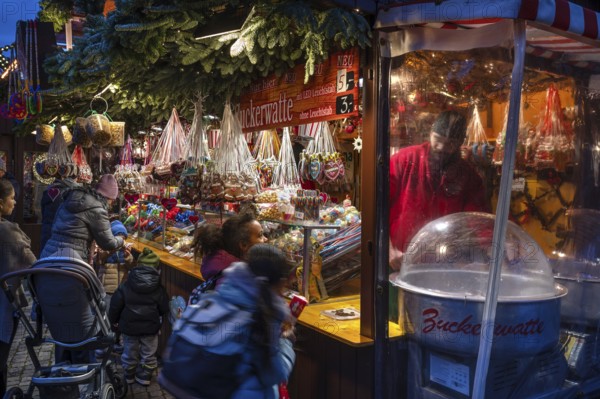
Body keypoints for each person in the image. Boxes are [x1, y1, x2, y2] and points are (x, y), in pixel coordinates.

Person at [159, 243, 296, 399]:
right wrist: (286, 342)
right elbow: (274, 375)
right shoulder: (259, 319)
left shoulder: (216, 298)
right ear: (277, 282)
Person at [389, 110, 488, 264]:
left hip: (445, 261)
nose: (441, 147)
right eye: (437, 139)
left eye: (450, 143)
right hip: (399, 256)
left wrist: (488, 247)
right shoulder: (404, 160)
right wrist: (388, 249)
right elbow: (377, 206)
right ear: (430, 133)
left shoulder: (468, 176)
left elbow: (477, 220)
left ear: (460, 143)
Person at [108, 247, 168, 386]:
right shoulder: (159, 288)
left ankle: (129, 375)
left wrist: (114, 322)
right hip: (150, 327)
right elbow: (164, 307)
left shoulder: (126, 285)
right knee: (149, 353)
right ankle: (145, 376)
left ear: (138, 266)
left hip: (129, 327)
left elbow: (115, 305)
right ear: (156, 268)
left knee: (129, 351)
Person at [0, 179, 36, 396]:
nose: (14, 202)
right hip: (2, 307)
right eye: (12, 198)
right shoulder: (8, 233)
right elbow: (32, 263)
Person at [40, 174, 124, 262]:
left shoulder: (69, 198)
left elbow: (54, 224)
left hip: (48, 255)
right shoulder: (98, 210)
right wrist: (121, 239)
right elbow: (108, 243)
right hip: (72, 260)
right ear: (108, 198)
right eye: (112, 201)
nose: (111, 205)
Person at [192, 211, 267, 283]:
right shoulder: (235, 280)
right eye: (260, 235)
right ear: (243, 245)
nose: (266, 239)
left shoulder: (225, 268)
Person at [39, 176, 80, 255]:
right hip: (63, 232)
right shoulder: (71, 193)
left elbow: (42, 211)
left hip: (47, 230)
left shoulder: (48, 191)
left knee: (46, 256)